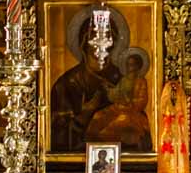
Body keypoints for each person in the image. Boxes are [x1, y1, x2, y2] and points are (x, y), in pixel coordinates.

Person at [51, 18, 152, 152]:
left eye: (108, 42)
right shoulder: (66, 84)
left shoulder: (123, 78)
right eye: (95, 41)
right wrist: (84, 115)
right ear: (83, 44)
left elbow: (139, 118)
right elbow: (57, 135)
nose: (101, 48)